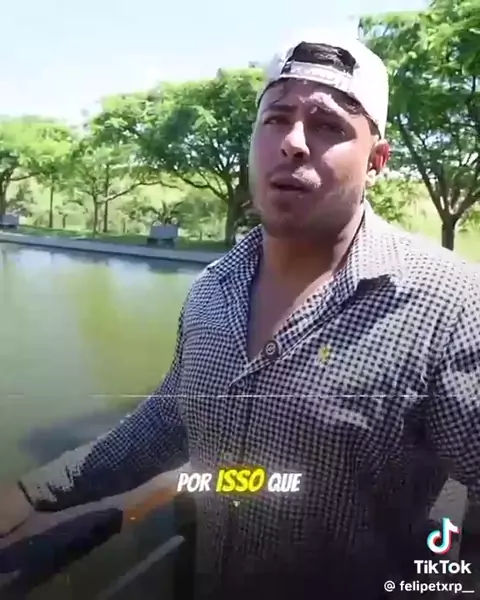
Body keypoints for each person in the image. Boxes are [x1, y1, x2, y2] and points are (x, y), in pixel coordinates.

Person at [1, 30, 479, 600]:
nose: (293, 142)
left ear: (376, 161)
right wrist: (35, 491)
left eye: (328, 126)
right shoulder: (213, 288)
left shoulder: (450, 306)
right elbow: (167, 422)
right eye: (276, 119)